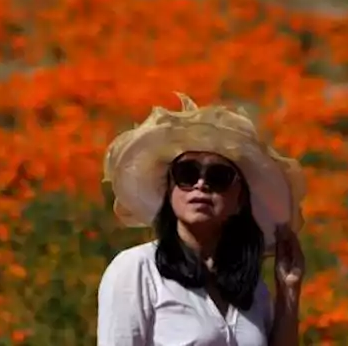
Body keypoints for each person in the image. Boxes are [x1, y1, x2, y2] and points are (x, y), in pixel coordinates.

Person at [98, 93, 307, 346]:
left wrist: (288, 292)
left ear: (239, 200)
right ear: (169, 188)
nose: (201, 185)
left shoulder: (252, 289)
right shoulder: (137, 270)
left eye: (218, 177)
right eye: (187, 174)